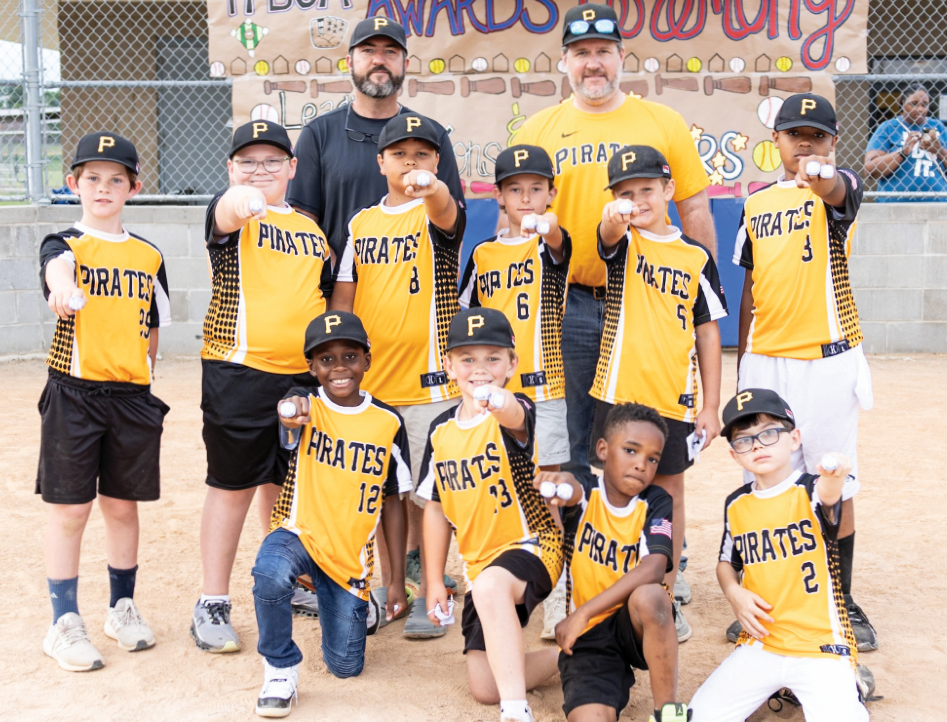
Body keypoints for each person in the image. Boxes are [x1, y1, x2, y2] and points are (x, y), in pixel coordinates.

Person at [513, 9, 716, 600]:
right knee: (578, 440)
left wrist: (701, 294)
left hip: (652, 306)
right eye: (581, 53)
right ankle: (583, 562)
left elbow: (695, 209)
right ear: (564, 62)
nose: (593, 63)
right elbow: (520, 220)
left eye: (603, 50)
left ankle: (666, 568)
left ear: (621, 57)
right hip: (573, 302)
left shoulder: (661, 121)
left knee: (657, 443)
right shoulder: (540, 128)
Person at [733, 93, 878, 654]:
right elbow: (751, 285)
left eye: (817, 135)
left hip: (827, 359)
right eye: (796, 134)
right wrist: (744, 361)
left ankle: (840, 599)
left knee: (831, 475)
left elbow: (836, 188)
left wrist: (822, 177)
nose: (806, 144)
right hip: (766, 358)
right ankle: (769, 596)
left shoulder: (841, 189)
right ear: (777, 140)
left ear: (833, 142)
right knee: (767, 477)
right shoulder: (756, 203)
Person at [191, 121, 333, 653]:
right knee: (232, 485)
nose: (260, 170)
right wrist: (245, 198)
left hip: (299, 376)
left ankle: (285, 579)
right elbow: (228, 212)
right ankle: (212, 600)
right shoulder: (230, 210)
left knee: (285, 483)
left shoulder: (311, 229)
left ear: (292, 168)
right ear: (230, 168)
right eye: (247, 161)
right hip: (239, 370)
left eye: (272, 161)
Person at [37, 131, 171, 671]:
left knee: (121, 506)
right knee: (71, 509)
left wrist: (145, 376)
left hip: (131, 396)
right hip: (74, 393)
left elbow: (153, 326)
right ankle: (63, 622)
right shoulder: (65, 244)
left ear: (133, 188)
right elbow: (58, 272)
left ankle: (122, 607)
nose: (103, 187)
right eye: (91, 177)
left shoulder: (149, 255)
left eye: (116, 179)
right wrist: (62, 291)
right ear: (73, 184)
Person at [333, 113, 464, 639]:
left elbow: (444, 206)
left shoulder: (438, 212)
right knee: (385, 494)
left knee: (430, 496)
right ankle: (388, 586)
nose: (411, 163)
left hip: (431, 384)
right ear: (380, 161)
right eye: (401, 154)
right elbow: (344, 299)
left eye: (423, 154)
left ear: (437, 163)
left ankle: (430, 590)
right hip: (376, 386)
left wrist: (432, 188)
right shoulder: (361, 224)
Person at [593, 145, 727, 643]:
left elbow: (707, 331)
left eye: (646, 189)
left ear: (669, 189)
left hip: (673, 399)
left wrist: (710, 405)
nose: (637, 200)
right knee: (614, 490)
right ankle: (609, 586)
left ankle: (665, 591)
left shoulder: (695, 256)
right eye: (625, 193)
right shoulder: (623, 241)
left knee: (669, 493)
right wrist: (613, 219)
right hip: (617, 395)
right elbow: (606, 236)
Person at [250, 311, 411, 718]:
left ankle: (360, 605)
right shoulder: (307, 406)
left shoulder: (389, 422)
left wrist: (395, 581)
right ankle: (280, 669)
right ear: (312, 367)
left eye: (349, 356)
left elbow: (394, 502)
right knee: (269, 571)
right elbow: (289, 411)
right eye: (326, 359)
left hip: (348, 559)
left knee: (345, 667)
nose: (339, 367)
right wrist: (289, 411)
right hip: (300, 534)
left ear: (367, 360)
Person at [418, 308, 563, 722]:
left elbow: (514, 414)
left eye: (492, 358)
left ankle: (515, 711)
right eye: (467, 359)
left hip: (534, 545)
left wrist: (496, 398)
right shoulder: (440, 430)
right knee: (484, 687)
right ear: (449, 366)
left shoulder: (517, 411)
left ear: (512, 364)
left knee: (489, 588)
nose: (480, 369)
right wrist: (433, 580)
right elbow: (436, 508)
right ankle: (582, 650)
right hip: (479, 566)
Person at [689, 389, 869, 721]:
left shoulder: (811, 491)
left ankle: (850, 681)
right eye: (744, 440)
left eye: (769, 433)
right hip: (761, 643)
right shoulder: (737, 504)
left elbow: (829, 494)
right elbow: (727, 563)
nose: (757, 445)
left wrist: (835, 475)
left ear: (794, 438)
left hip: (821, 647)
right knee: (697, 716)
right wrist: (734, 593)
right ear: (735, 455)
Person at [458, 144, 572, 639]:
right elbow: (464, 319)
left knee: (549, 489)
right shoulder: (483, 255)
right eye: (515, 189)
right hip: (492, 391)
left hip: (543, 387)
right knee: (499, 486)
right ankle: (498, 578)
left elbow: (558, 237)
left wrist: (547, 226)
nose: (526, 198)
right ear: (499, 196)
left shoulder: (549, 245)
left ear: (551, 194)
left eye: (536, 188)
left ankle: (559, 592)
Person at [550, 403, 689, 722]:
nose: (641, 464)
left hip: (633, 625)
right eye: (630, 450)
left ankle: (669, 714)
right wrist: (558, 483)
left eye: (652, 459)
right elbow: (570, 486)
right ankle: (573, 669)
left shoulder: (655, 501)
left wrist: (583, 612)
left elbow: (654, 568)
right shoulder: (587, 492)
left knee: (653, 596)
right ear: (603, 449)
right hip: (589, 639)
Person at [864, 83, 947, 201]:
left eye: (924, 104)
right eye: (914, 103)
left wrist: (939, 151)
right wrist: (902, 152)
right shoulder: (888, 127)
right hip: (895, 204)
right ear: (902, 103)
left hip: (937, 203)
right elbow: (870, 170)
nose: (920, 109)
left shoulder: (938, 126)